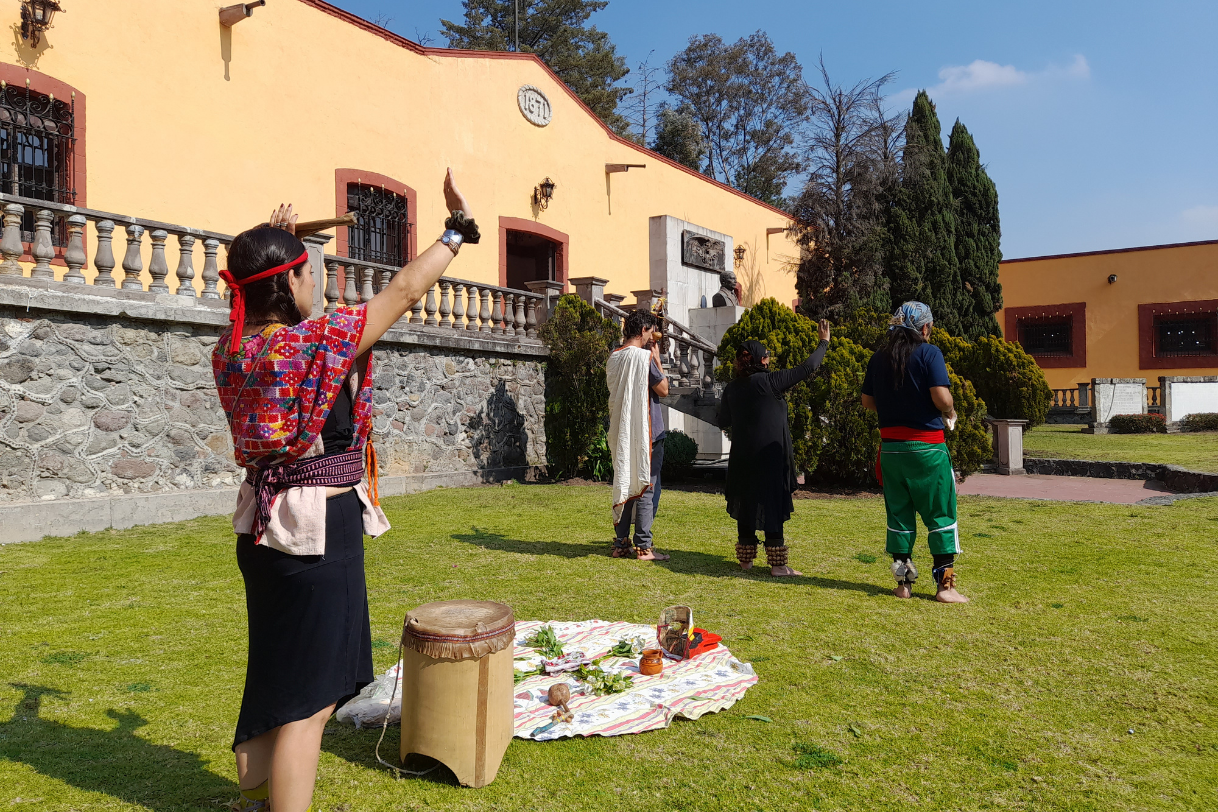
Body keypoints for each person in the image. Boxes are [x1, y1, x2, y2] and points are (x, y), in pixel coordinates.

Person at [211, 170, 478, 812]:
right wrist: (455, 231)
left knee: (278, 673)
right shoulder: (312, 346)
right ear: (288, 283)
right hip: (313, 538)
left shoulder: (234, 350)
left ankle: (255, 790)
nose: (318, 281)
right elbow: (407, 288)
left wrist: (275, 240)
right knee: (310, 705)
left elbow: (269, 299)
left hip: (263, 532)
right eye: (308, 272)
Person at [860, 301, 968, 604]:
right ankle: (945, 587)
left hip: (892, 451)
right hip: (927, 449)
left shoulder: (878, 358)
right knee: (941, 515)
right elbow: (941, 396)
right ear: (924, 327)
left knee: (899, 517)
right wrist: (950, 409)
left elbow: (868, 402)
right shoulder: (930, 353)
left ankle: (903, 584)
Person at [718, 320, 831, 577]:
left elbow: (722, 421)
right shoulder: (771, 382)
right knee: (772, 503)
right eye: (767, 356)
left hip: (742, 457)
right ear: (761, 359)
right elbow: (808, 367)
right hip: (769, 456)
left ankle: (746, 560)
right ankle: (778, 565)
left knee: (747, 502)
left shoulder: (732, 388)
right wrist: (824, 342)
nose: (769, 359)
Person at [605, 309, 671, 561]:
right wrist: (656, 360)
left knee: (625, 480)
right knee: (645, 485)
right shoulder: (643, 358)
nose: (651, 337)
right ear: (643, 330)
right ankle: (644, 546)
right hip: (647, 430)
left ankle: (621, 543)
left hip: (622, 429)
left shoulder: (615, 356)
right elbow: (663, 389)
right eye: (650, 331)